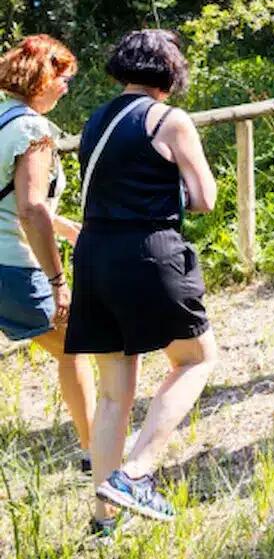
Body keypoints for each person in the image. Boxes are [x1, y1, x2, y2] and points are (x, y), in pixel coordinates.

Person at [65, 29, 219, 531]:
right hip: (148, 253)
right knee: (196, 359)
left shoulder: (95, 120)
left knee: (114, 394)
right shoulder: (170, 120)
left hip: (93, 255)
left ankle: (102, 517)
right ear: (171, 73)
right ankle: (136, 472)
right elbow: (205, 198)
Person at [0, 35, 94, 471]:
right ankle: (98, 449)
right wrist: (58, 283)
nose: (67, 87)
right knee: (74, 345)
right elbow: (30, 207)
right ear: (42, 78)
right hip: (12, 265)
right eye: (63, 77)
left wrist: (62, 225)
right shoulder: (32, 130)